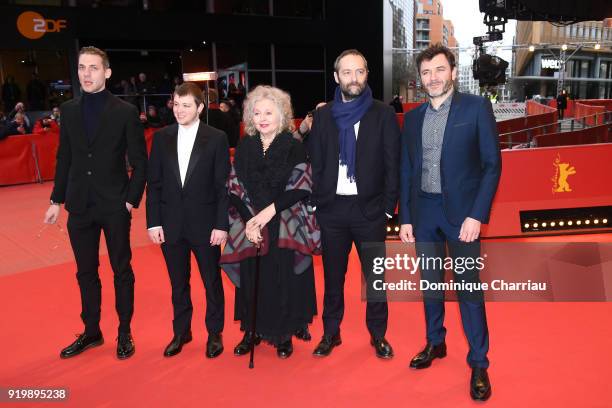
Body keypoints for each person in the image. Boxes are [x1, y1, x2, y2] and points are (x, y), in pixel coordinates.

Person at [398, 44, 501, 401]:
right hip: (423, 213)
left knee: (469, 290)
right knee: (430, 285)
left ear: (453, 72)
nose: (433, 78)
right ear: (420, 78)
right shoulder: (411, 119)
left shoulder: (476, 108)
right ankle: (435, 343)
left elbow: (492, 165)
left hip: (462, 217)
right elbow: (407, 169)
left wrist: (477, 214)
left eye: (439, 70)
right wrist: (406, 218)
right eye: (426, 73)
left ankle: (479, 361)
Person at [43, 46, 147, 360]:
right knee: (85, 272)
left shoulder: (125, 112)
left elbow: (140, 162)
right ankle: (92, 332)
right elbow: (65, 157)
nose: (87, 74)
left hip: (114, 204)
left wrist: (130, 201)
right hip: (79, 204)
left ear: (107, 72)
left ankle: (124, 331)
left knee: (121, 269)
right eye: (82, 67)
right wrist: (55, 199)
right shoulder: (69, 109)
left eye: (93, 68)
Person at [308, 49, 400, 359]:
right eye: (347, 72)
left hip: (370, 211)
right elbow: (317, 162)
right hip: (332, 212)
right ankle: (331, 333)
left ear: (366, 74)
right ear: (336, 77)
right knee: (333, 279)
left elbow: (392, 164)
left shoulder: (383, 114)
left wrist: (388, 208)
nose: (353, 78)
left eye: (359, 71)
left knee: (376, 279)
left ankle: (378, 335)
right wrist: (318, 202)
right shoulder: (322, 115)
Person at [220, 85, 319, 359]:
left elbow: (300, 187)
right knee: (251, 276)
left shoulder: (293, 147)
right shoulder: (245, 146)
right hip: (250, 223)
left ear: (282, 115)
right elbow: (234, 186)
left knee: (281, 278)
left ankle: (284, 333)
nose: (262, 117)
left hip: (283, 222)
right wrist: (250, 221)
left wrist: (267, 214)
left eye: (268, 112)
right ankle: (252, 331)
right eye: (257, 112)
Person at [146, 82, 229, 358]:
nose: (179, 110)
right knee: (177, 282)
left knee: (211, 281)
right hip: (170, 225)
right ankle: (181, 331)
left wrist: (221, 224)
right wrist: (153, 222)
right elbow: (154, 183)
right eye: (176, 104)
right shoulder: (161, 138)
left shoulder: (216, 138)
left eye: (186, 105)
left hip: (206, 225)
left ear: (200, 108)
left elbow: (222, 187)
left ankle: (214, 332)